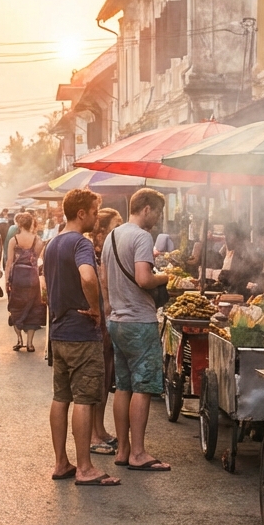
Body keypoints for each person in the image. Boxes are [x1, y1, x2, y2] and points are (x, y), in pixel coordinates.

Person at [44, 189, 117, 486]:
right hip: (80, 333)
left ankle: (62, 462)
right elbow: (88, 277)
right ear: (81, 213)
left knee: (61, 397)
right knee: (85, 399)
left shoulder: (52, 244)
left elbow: (44, 289)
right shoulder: (81, 243)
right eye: (94, 211)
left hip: (59, 332)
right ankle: (85, 468)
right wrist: (95, 309)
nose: (97, 217)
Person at [100, 188, 171, 472]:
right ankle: (139, 453)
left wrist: (111, 307)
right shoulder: (142, 236)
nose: (158, 218)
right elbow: (144, 279)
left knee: (124, 386)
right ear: (146, 208)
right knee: (142, 387)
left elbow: (104, 278)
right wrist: (165, 276)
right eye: (158, 212)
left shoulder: (112, 235)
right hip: (140, 322)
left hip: (117, 321)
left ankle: (123, 450)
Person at [88, 208, 121, 456]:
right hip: (101, 316)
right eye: (116, 223)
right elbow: (99, 285)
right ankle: (92, 433)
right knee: (97, 375)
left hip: (109, 315)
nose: (120, 228)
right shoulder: (93, 249)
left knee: (107, 375)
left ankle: (99, 428)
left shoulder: (110, 248)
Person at [6, 212, 46, 352]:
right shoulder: (37, 240)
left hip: (17, 277)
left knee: (16, 308)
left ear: (19, 224)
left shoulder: (14, 240)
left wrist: (6, 280)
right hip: (32, 277)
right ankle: (30, 343)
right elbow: (36, 260)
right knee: (33, 309)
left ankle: (19, 340)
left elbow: (9, 262)